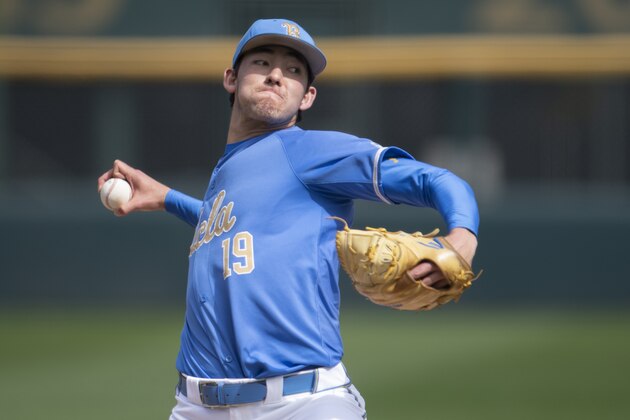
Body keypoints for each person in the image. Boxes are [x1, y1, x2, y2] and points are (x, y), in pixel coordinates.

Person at [98, 18, 479, 420]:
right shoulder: (229, 169)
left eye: (294, 71)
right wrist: (167, 199)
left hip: (302, 404)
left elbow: (436, 180)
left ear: (307, 97)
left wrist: (462, 239)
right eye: (262, 62)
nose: (277, 75)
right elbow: (240, 228)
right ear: (231, 78)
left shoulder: (312, 151)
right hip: (196, 408)